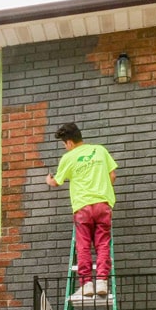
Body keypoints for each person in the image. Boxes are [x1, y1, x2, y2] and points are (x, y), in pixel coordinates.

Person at [45, 122, 118, 298]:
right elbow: (112, 176)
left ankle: (86, 284)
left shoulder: (68, 158)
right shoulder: (100, 150)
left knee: (83, 246)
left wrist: (48, 180)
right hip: (102, 204)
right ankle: (102, 280)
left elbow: (56, 182)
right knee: (102, 244)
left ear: (69, 142)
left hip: (82, 208)